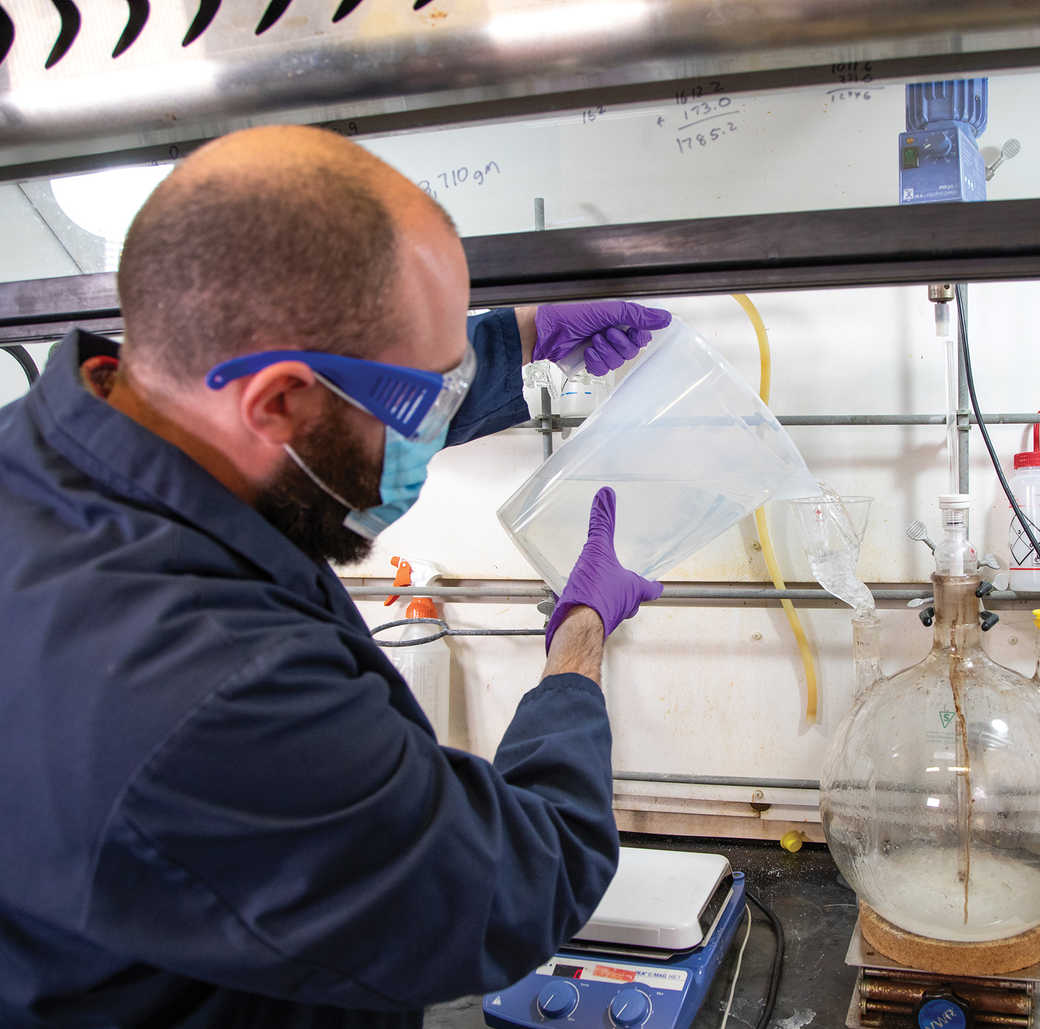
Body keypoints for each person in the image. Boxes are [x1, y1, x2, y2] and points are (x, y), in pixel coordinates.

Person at [0, 125, 669, 1027]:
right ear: (275, 400)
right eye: (430, 392)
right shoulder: (215, 690)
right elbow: (517, 886)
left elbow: (332, 414)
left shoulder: (55, 443)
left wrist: (517, 340)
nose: (433, 426)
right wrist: (579, 639)